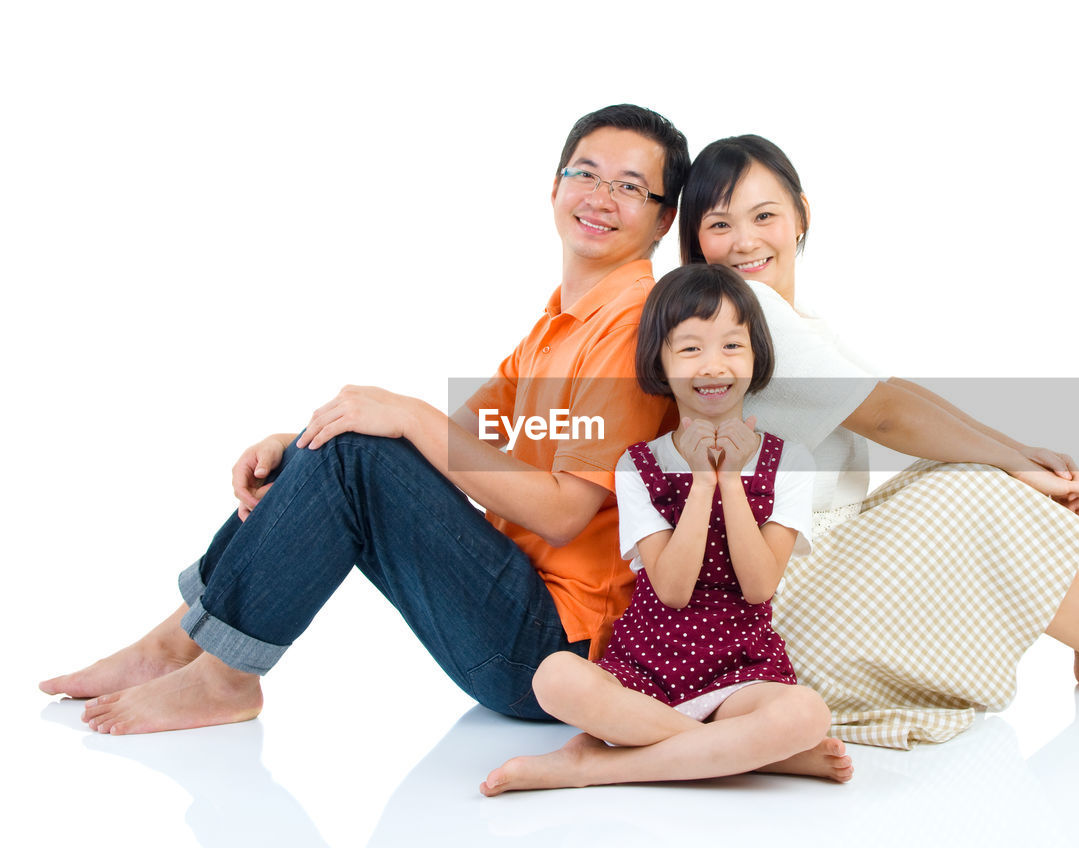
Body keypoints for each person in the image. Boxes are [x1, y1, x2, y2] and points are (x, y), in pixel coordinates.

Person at [38, 104, 691, 734]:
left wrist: (397, 417)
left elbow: (563, 513)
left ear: (663, 222)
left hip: (556, 655)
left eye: (631, 186)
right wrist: (297, 451)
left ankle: (224, 676)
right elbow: (445, 451)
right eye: (586, 173)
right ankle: (177, 642)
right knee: (350, 440)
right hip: (520, 618)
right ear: (553, 187)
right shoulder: (558, 324)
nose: (601, 196)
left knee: (361, 447)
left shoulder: (634, 327)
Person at [677, 135, 1079, 749]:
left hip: (800, 571)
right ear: (695, 239)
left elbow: (891, 392)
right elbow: (886, 415)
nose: (744, 241)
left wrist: (1014, 453)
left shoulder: (791, 319)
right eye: (719, 223)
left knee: (972, 476)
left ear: (801, 216)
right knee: (972, 487)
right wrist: (1011, 461)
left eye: (764, 216)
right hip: (764, 604)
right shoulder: (735, 313)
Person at [480, 264, 851, 796]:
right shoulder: (638, 465)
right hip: (647, 662)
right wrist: (703, 483)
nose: (714, 366)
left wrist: (730, 483)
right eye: (690, 349)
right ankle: (754, 758)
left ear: (756, 355)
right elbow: (674, 590)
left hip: (740, 668)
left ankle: (593, 767)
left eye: (731, 345)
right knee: (553, 678)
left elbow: (759, 586)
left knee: (806, 714)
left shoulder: (790, 460)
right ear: (660, 360)